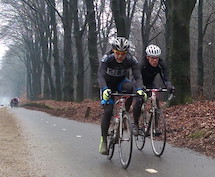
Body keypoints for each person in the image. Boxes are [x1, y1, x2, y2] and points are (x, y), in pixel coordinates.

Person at [97, 36, 147, 155]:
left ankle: (125, 111)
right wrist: (104, 89)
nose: (120, 56)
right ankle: (103, 140)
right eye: (117, 53)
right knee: (108, 111)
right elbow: (100, 75)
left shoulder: (130, 59)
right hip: (107, 85)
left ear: (126, 52)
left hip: (120, 83)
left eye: (123, 54)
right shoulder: (107, 58)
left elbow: (137, 75)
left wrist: (140, 89)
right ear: (113, 51)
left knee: (130, 88)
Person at [133, 44, 175, 135]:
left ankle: (156, 127)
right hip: (139, 82)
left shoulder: (161, 64)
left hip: (150, 83)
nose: (155, 60)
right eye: (153, 58)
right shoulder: (142, 64)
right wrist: (140, 88)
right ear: (148, 57)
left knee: (156, 100)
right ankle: (135, 125)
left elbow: (165, 78)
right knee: (139, 101)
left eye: (157, 58)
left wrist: (169, 86)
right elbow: (137, 77)